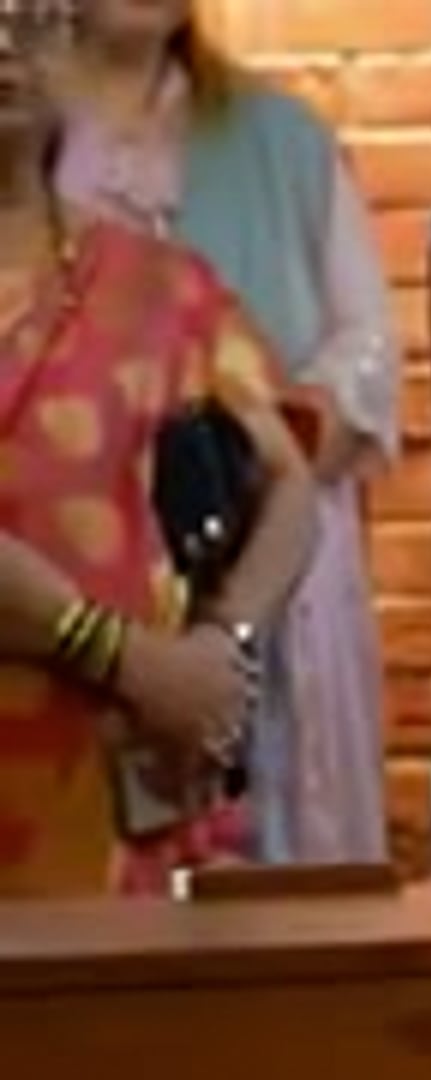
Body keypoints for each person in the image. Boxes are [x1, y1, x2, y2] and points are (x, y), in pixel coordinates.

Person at [54, 0, 398, 865]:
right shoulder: (23, 144)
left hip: (270, 561)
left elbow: (365, 351)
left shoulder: (284, 140)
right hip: (74, 573)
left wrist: (259, 456)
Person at [0, 0, 315, 896]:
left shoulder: (157, 284)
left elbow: (288, 485)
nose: (4, 44)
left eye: (32, 20)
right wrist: (127, 658)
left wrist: (222, 643)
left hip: (120, 814)